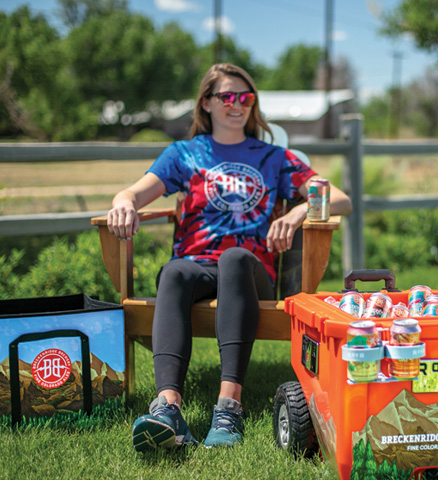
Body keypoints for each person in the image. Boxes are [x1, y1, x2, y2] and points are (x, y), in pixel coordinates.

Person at [106, 63, 352, 451]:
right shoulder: (184, 154)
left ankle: (228, 407)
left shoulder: (274, 157)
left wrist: (298, 210)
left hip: (249, 269)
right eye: (227, 96)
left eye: (245, 97)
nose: (237, 104)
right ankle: (167, 409)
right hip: (198, 264)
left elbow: (340, 198)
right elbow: (133, 194)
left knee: (234, 257)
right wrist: (122, 204)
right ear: (206, 103)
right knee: (174, 271)